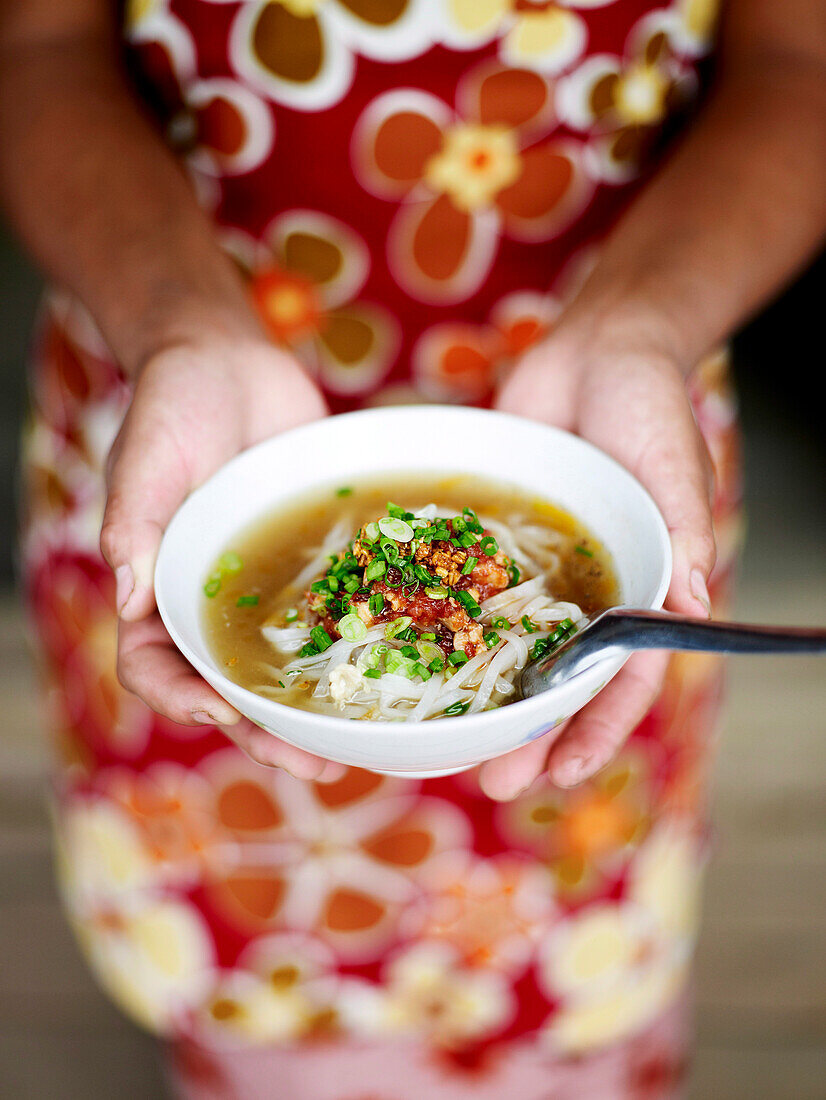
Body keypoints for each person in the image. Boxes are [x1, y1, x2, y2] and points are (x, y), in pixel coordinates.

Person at [1, 0, 823, 1096]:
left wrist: (644, 323)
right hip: (181, 424)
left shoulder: (592, 540)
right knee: (245, 957)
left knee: (569, 966)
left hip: (611, 419)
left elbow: (798, 61)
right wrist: (175, 319)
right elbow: (42, 48)